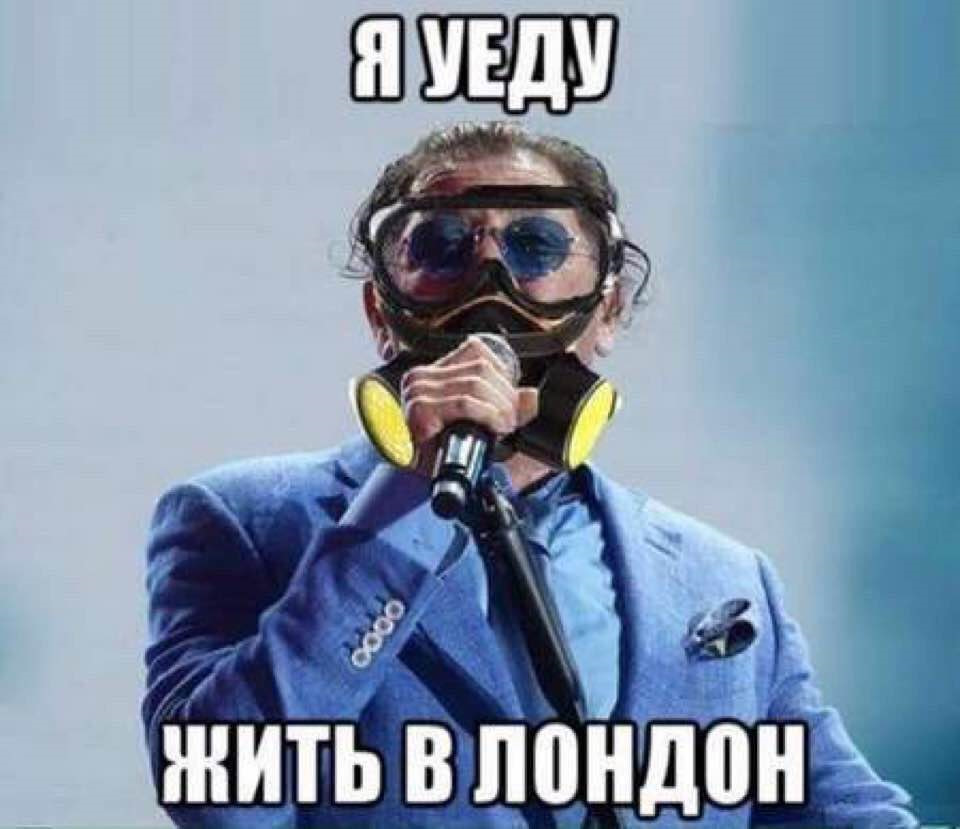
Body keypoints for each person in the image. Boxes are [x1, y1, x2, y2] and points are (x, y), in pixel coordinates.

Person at [142, 121, 916, 827]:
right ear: (381, 311)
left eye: (537, 244)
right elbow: (218, 794)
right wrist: (407, 501)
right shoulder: (238, 519)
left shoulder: (725, 577)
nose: (489, 276)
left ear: (608, 309)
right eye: (442, 244)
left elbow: (849, 814)